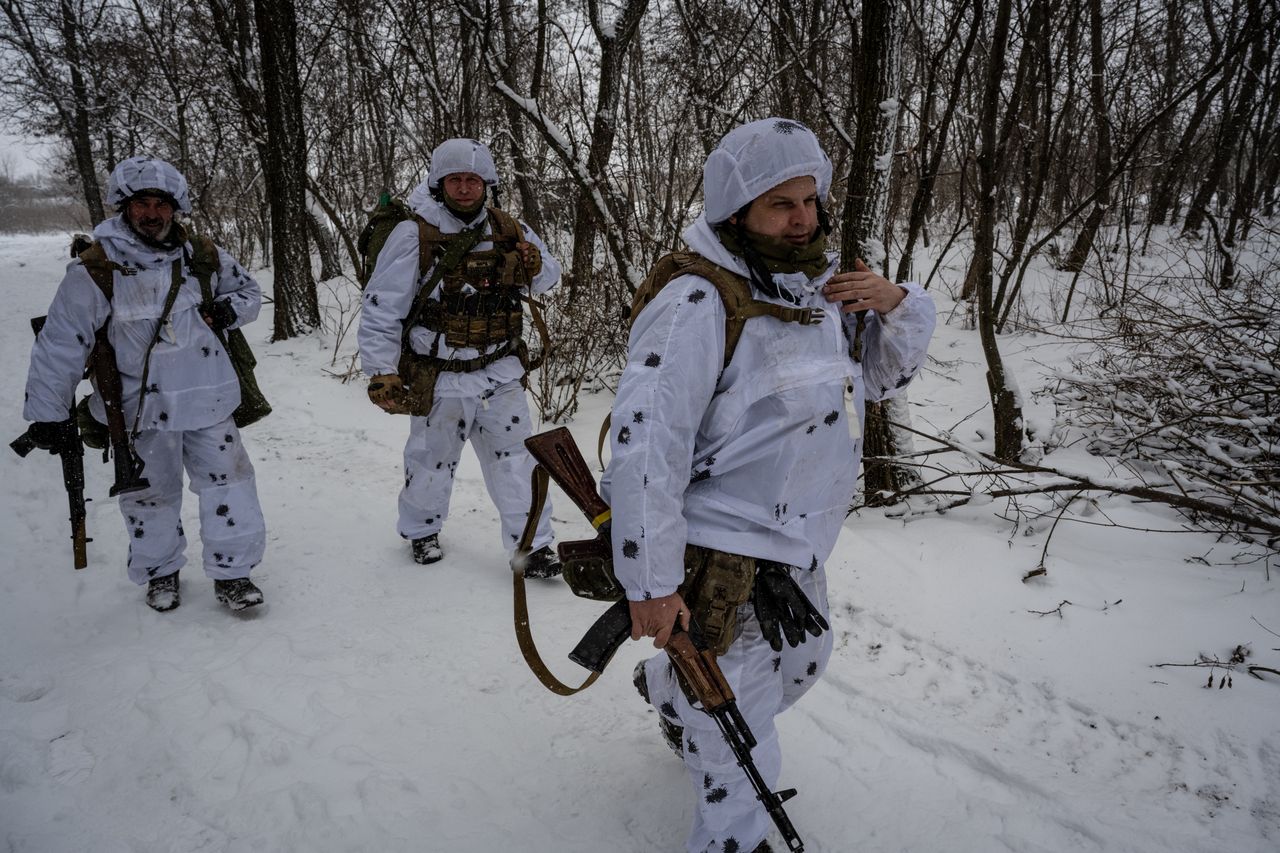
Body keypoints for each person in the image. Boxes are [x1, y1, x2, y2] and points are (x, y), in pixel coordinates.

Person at [601, 118, 936, 853]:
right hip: (720, 549)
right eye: (782, 205)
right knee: (739, 730)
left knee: (804, 666)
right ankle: (732, 838)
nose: (803, 219)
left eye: (811, 201)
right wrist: (650, 580)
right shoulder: (697, 302)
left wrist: (896, 305)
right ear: (738, 212)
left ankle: (670, 694)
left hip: (800, 545)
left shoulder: (823, 288)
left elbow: (879, 380)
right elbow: (646, 447)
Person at [21, 156, 268, 612]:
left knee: (230, 485)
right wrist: (48, 413)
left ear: (176, 209)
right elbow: (62, 345)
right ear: (124, 206)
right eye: (142, 204)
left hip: (208, 396)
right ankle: (160, 573)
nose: (152, 214)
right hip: (139, 409)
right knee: (149, 495)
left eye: (161, 204)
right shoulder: (96, 269)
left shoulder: (204, 256)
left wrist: (232, 312)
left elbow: (249, 292)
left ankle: (234, 573)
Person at [358, 138, 562, 575]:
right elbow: (381, 306)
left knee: (515, 462)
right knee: (431, 460)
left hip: (499, 371)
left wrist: (532, 264)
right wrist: (381, 371)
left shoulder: (508, 227)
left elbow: (548, 277)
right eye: (456, 180)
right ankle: (421, 530)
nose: (465, 188)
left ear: (486, 184)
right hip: (440, 376)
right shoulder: (414, 233)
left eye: (473, 180)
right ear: (440, 183)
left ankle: (533, 546)